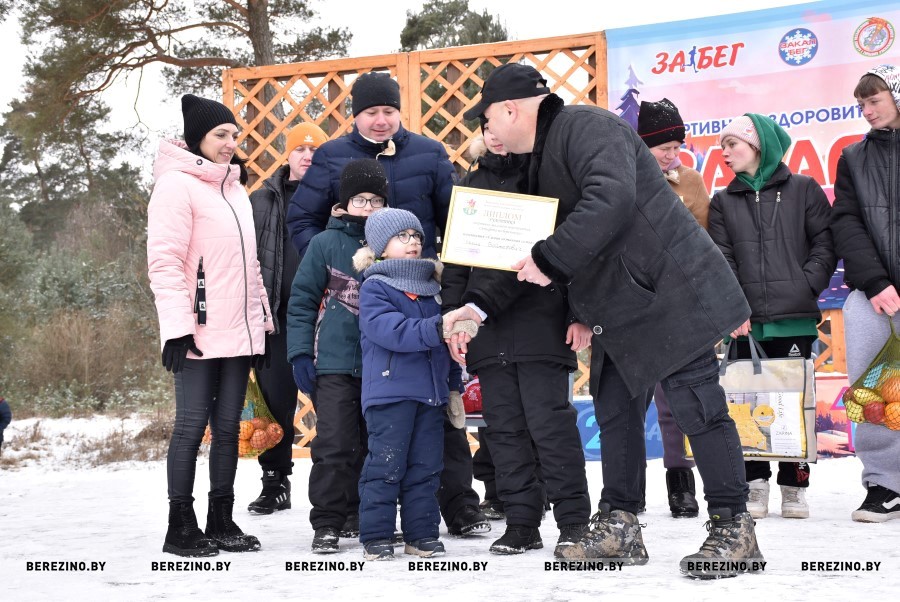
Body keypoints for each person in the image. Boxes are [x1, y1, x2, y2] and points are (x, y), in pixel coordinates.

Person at [454, 63, 762, 578]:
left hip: (671, 292)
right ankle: (620, 523)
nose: (489, 131)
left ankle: (734, 526)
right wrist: (477, 306)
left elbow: (610, 199)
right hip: (617, 306)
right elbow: (526, 255)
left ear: (509, 109)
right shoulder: (539, 161)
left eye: (488, 119)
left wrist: (550, 258)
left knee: (698, 408)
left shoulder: (588, 126)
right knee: (615, 410)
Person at [288, 70, 488, 536]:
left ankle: (459, 506)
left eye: (389, 111)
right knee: (364, 424)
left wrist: (443, 276)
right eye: (371, 112)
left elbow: (456, 220)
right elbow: (302, 219)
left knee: (439, 414)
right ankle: (353, 512)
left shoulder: (429, 153)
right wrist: (335, 264)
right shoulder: (332, 156)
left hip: (421, 294)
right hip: (354, 312)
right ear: (355, 115)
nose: (381, 121)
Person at [442, 123, 591, 556]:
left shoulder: (549, 177)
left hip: (543, 324)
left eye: (501, 124)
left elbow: (578, 251)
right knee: (503, 431)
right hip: (488, 331)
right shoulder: (470, 187)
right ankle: (522, 523)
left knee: (551, 427)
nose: (494, 134)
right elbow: (456, 264)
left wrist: (580, 314)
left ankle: (573, 522)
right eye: (485, 126)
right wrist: (453, 320)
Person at [147, 94, 274, 557]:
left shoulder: (234, 188)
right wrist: (177, 328)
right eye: (221, 134)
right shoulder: (175, 186)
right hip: (198, 331)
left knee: (228, 428)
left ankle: (221, 518)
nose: (230, 143)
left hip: (238, 330)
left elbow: (250, 265)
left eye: (234, 135)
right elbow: (165, 262)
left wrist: (261, 324)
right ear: (198, 138)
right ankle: (179, 525)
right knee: (190, 426)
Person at [709, 114, 835, 520]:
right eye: (723, 146)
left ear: (758, 146)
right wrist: (734, 308)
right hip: (744, 324)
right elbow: (721, 258)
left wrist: (804, 286)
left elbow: (825, 244)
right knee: (746, 403)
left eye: (733, 144)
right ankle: (755, 484)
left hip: (793, 318)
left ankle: (794, 487)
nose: (725, 152)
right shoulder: (722, 201)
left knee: (793, 403)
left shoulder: (803, 189)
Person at [287, 158, 385, 553]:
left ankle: (364, 515)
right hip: (334, 364)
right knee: (335, 444)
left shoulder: (393, 244)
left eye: (376, 200)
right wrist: (300, 354)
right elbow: (301, 301)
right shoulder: (324, 244)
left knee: (375, 444)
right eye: (360, 200)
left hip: (383, 365)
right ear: (344, 203)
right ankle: (327, 520)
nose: (368, 207)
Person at [353, 208, 460, 560]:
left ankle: (422, 535)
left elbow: (447, 349)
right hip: (391, 393)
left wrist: (453, 387)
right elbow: (391, 330)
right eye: (402, 236)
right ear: (382, 247)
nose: (412, 242)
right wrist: (438, 327)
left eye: (416, 236)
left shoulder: (433, 289)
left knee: (426, 468)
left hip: (430, 395)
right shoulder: (375, 286)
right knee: (386, 465)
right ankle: (376, 536)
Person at [247, 122, 328, 515]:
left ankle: (337, 485)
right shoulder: (261, 200)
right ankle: (274, 482)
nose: (307, 156)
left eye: (314, 150)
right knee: (274, 401)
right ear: (288, 154)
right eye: (300, 149)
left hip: (324, 319)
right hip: (276, 319)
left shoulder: (333, 197)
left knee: (332, 401)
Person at [831, 64, 900, 523]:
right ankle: (885, 484)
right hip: (873, 293)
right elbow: (846, 223)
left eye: (874, 100)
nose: (867, 110)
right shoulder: (853, 158)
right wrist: (875, 283)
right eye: (861, 104)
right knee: (875, 390)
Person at [637, 98, 709, 519]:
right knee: (627, 401)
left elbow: (704, 241)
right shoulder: (623, 177)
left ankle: (680, 484)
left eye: (677, 146)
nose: (672, 155)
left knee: (673, 401)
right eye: (664, 147)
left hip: (676, 303)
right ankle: (627, 491)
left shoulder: (690, 181)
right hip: (629, 305)